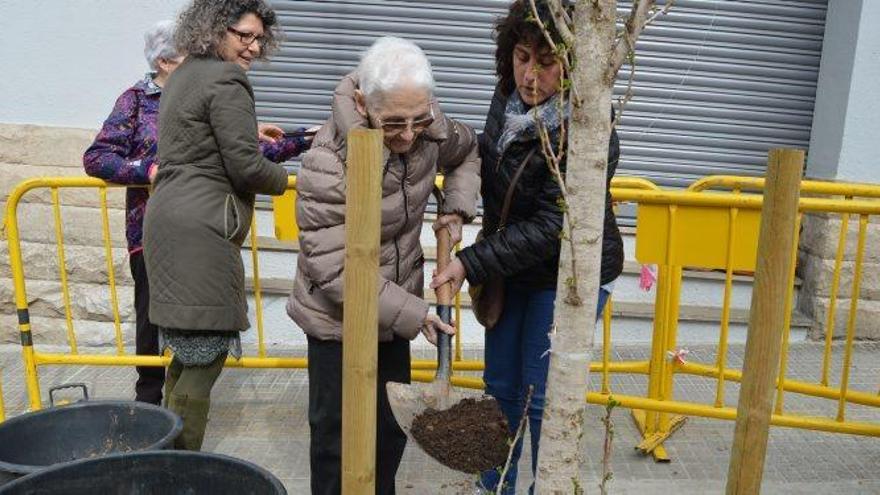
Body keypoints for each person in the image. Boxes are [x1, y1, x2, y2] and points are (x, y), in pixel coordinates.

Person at [430, 1, 623, 493]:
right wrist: (459, 204)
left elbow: (550, 226)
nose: (529, 76)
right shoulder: (507, 101)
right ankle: (494, 485)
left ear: (573, 64)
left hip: (566, 277)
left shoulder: (589, 130)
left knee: (542, 399)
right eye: (520, 57)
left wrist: (469, 263)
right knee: (500, 390)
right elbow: (481, 162)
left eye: (546, 62)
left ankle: (550, 484)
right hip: (510, 268)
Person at [287, 36, 481, 495]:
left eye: (420, 119)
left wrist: (455, 206)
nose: (409, 134)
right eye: (394, 123)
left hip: (393, 317)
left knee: (389, 432)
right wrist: (418, 313)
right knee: (337, 439)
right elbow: (335, 270)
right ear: (362, 103)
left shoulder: (429, 128)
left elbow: (469, 149)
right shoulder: (327, 162)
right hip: (336, 321)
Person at [83, 18, 308, 407]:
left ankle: (169, 420)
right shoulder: (137, 100)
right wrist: (148, 169)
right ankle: (150, 410)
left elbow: (236, 155)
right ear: (166, 60)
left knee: (194, 340)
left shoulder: (200, 91)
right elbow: (97, 157)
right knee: (155, 327)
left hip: (201, 226)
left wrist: (299, 140)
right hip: (153, 232)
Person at [142, 0, 309, 450]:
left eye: (259, 38)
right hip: (201, 229)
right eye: (243, 35)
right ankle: (181, 468)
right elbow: (246, 169)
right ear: (215, 29)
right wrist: (297, 181)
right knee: (205, 357)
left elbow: (196, 137)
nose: (253, 47)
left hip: (168, 221)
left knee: (183, 354)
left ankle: (163, 459)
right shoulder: (227, 78)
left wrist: (249, 131)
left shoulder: (186, 73)